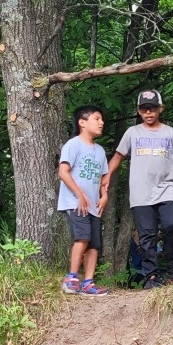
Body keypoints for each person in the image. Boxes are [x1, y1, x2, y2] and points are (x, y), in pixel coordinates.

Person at [106, 89, 173, 288]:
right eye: (144, 109)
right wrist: (106, 177)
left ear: (160, 109)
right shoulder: (133, 133)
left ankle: (171, 266)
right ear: (138, 111)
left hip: (167, 189)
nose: (148, 113)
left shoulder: (169, 132)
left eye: (152, 109)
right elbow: (118, 156)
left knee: (171, 226)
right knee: (147, 235)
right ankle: (151, 276)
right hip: (141, 193)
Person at [58, 104, 110, 295]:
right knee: (83, 237)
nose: (101, 122)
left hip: (94, 205)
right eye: (96, 119)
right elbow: (63, 172)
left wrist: (104, 196)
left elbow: (104, 180)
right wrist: (79, 195)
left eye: (101, 119)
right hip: (75, 202)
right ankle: (72, 278)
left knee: (95, 243)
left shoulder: (100, 151)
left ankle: (88, 282)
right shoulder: (73, 145)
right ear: (82, 122)